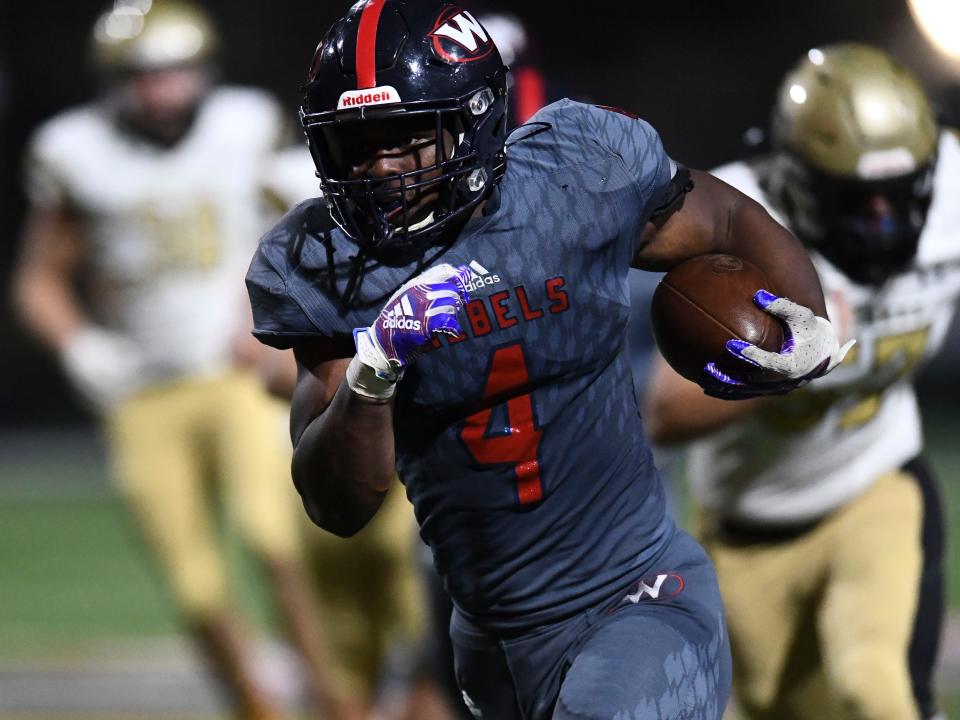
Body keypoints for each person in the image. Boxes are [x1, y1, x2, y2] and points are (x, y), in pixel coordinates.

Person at [245, 2, 850, 718]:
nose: (381, 169)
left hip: (637, 595)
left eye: (407, 137)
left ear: (472, 121)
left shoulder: (572, 178)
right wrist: (372, 372)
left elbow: (722, 219)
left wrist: (806, 321)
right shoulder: (323, 263)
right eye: (357, 143)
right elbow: (336, 502)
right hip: (489, 638)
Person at [12, 3, 341, 718]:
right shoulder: (74, 150)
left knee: (274, 536)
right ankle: (256, 706)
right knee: (193, 585)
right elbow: (38, 277)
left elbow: (307, 219)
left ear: (204, 70)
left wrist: (273, 306)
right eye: (144, 77)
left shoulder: (247, 125)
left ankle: (334, 698)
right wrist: (80, 344)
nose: (162, 93)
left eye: (175, 73)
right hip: (144, 388)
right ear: (115, 81)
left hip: (236, 375)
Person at [644, 43, 960, 720]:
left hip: (877, 486)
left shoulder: (954, 184)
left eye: (899, 197)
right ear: (795, 178)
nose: (884, 221)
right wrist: (790, 366)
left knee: (876, 692)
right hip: (746, 526)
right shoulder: (741, 218)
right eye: (857, 200)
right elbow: (664, 413)